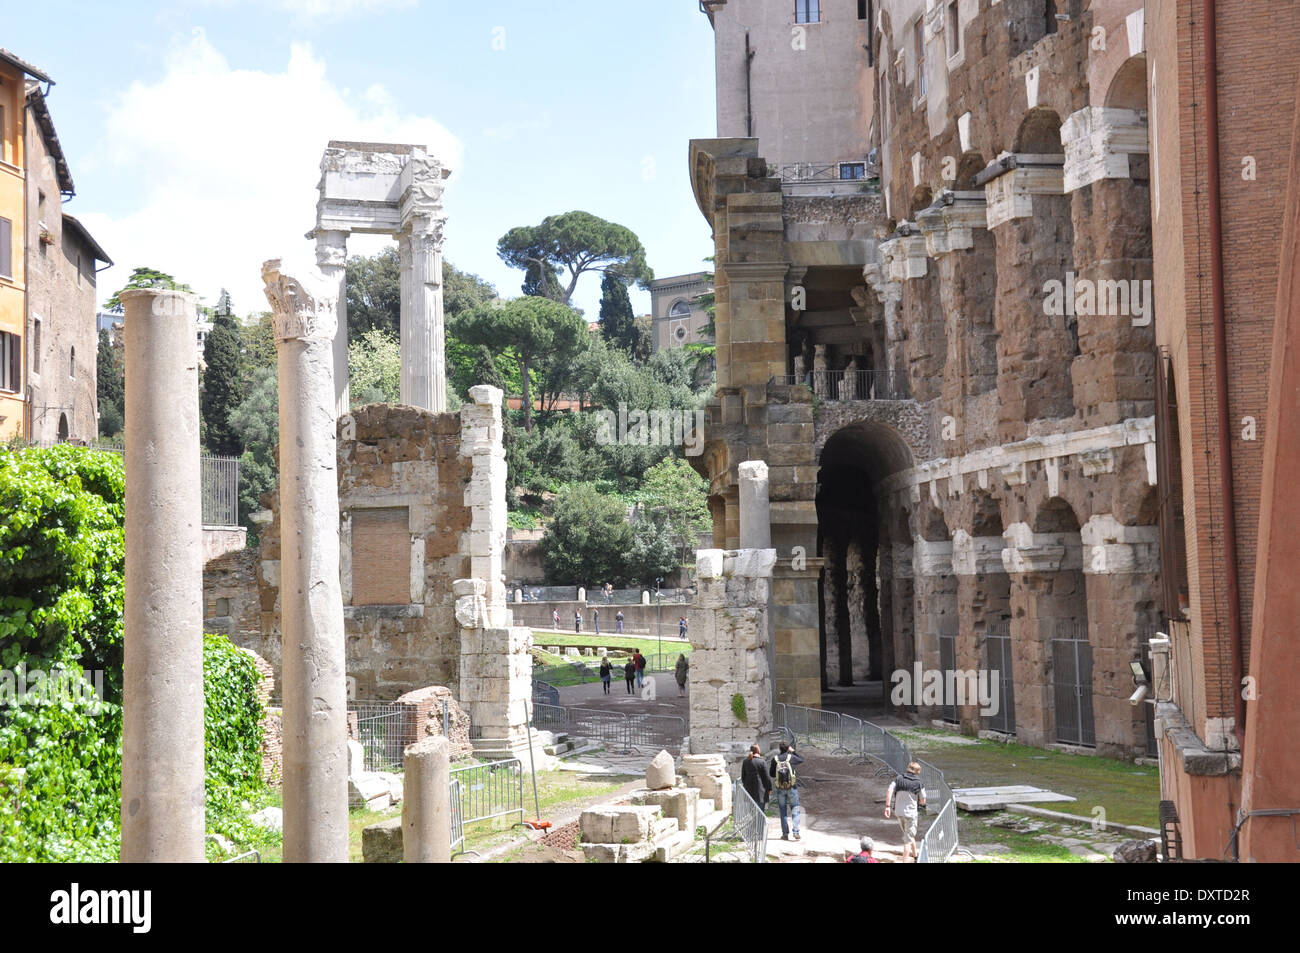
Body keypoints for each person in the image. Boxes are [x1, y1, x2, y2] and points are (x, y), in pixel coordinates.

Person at [885, 761, 927, 862]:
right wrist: (919, 802)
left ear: (908, 768)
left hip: (899, 812)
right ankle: (905, 860)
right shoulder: (919, 783)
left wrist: (887, 806)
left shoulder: (899, 778)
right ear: (918, 772)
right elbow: (923, 800)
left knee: (908, 835)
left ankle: (916, 856)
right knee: (907, 840)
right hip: (911, 814)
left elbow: (889, 790)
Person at [769, 741, 804, 841]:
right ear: (788, 748)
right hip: (792, 787)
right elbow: (802, 759)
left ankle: (785, 834)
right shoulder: (791, 758)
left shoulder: (775, 759)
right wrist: (793, 752)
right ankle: (796, 832)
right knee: (795, 810)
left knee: (783, 811)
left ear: (779, 749)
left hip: (780, 788)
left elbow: (771, 774)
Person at [740, 743, 771, 812]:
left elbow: (743, 776)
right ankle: (760, 823)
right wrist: (769, 788)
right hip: (761, 790)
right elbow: (767, 777)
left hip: (749, 789)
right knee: (760, 811)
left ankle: (753, 822)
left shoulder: (745, 761)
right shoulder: (762, 762)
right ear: (758, 751)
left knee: (751, 811)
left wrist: (746, 786)